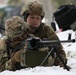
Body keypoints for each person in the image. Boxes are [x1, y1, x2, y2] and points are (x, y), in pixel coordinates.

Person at [20, 1, 71, 70]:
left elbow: (60, 52)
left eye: (38, 18)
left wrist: (61, 62)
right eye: (32, 17)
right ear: (25, 17)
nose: (35, 20)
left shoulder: (46, 30)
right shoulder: (19, 30)